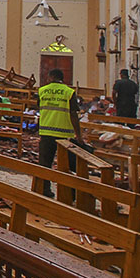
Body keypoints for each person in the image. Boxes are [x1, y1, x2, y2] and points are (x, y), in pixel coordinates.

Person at [37, 68, 82, 196]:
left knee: (45, 163)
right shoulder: (69, 92)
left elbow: (40, 108)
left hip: (46, 132)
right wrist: (79, 135)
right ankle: (69, 194)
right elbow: (73, 115)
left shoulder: (42, 90)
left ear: (51, 77)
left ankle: (44, 190)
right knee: (67, 165)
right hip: (64, 134)